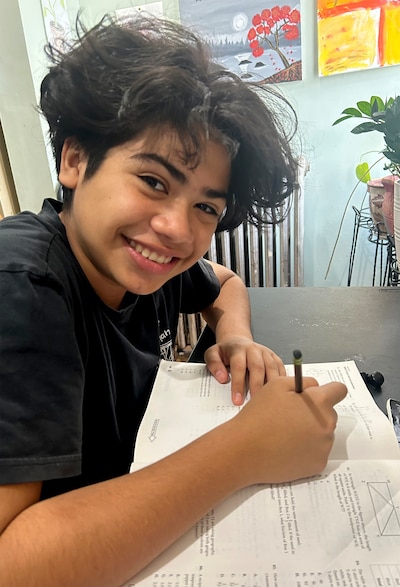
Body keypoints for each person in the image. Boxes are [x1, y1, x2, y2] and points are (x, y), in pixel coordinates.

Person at [0, 14, 347, 587]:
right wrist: (246, 447)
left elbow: (227, 282)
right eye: (154, 182)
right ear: (75, 160)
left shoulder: (143, 267)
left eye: (206, 208)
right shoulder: (24, 286)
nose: (177, 230)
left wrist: (234, 336)